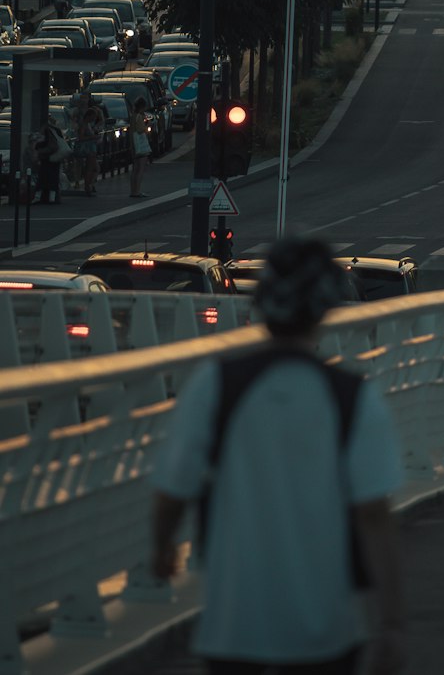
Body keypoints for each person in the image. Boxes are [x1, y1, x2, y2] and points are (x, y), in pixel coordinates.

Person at [151, 235, 406, 675]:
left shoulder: (216, 385)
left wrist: (162, 549)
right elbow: (374, 516)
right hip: (326, 630)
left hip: (234, 626)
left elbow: (173, 488)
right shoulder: (352, 398)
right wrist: (391, 623)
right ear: (325, 309)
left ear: (262, 303)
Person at [72, 88, 104, 196]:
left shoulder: (88, 120)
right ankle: (88, 185)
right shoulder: (83, 122)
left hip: (89, 148)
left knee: (90, 167)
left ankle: (89, 184)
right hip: (87, 149)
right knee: (90, 167)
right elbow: (81, 136)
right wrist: (93, 138)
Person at [129, 97, 151, 198]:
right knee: (140, 169)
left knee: (135, 169)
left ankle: (133, 190)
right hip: (140, 145)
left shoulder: (133, 116)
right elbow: (141, 130)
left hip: (134, 144)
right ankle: (137, 191)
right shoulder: (139, 117)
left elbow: (132, 130)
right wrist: (147, 125)